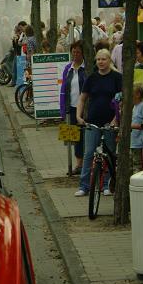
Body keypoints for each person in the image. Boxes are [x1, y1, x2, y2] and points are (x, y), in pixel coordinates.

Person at [75, 49, 122, 197]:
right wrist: (78, 116)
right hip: (92, 121)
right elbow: (82, 99)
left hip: (110, 122)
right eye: (98, 60)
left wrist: (116, 119)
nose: (101, 62)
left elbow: (122, 100)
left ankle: (108, 184)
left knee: (110, 154)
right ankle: (84, 186)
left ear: (109, 61)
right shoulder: (92, 78)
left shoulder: (117, 78)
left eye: (104, 59)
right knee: (89, 153)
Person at [59, 41, 86, 173]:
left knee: (84, 136)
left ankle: (85, 164)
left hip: (84, 109)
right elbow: (63, 88)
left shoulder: (86, 68)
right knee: (72, 137)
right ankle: (78, 164)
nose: (75, 55)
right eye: (73, 52)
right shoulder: (68, 68)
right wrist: (63, 109)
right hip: (71, 108)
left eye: (78, 52)